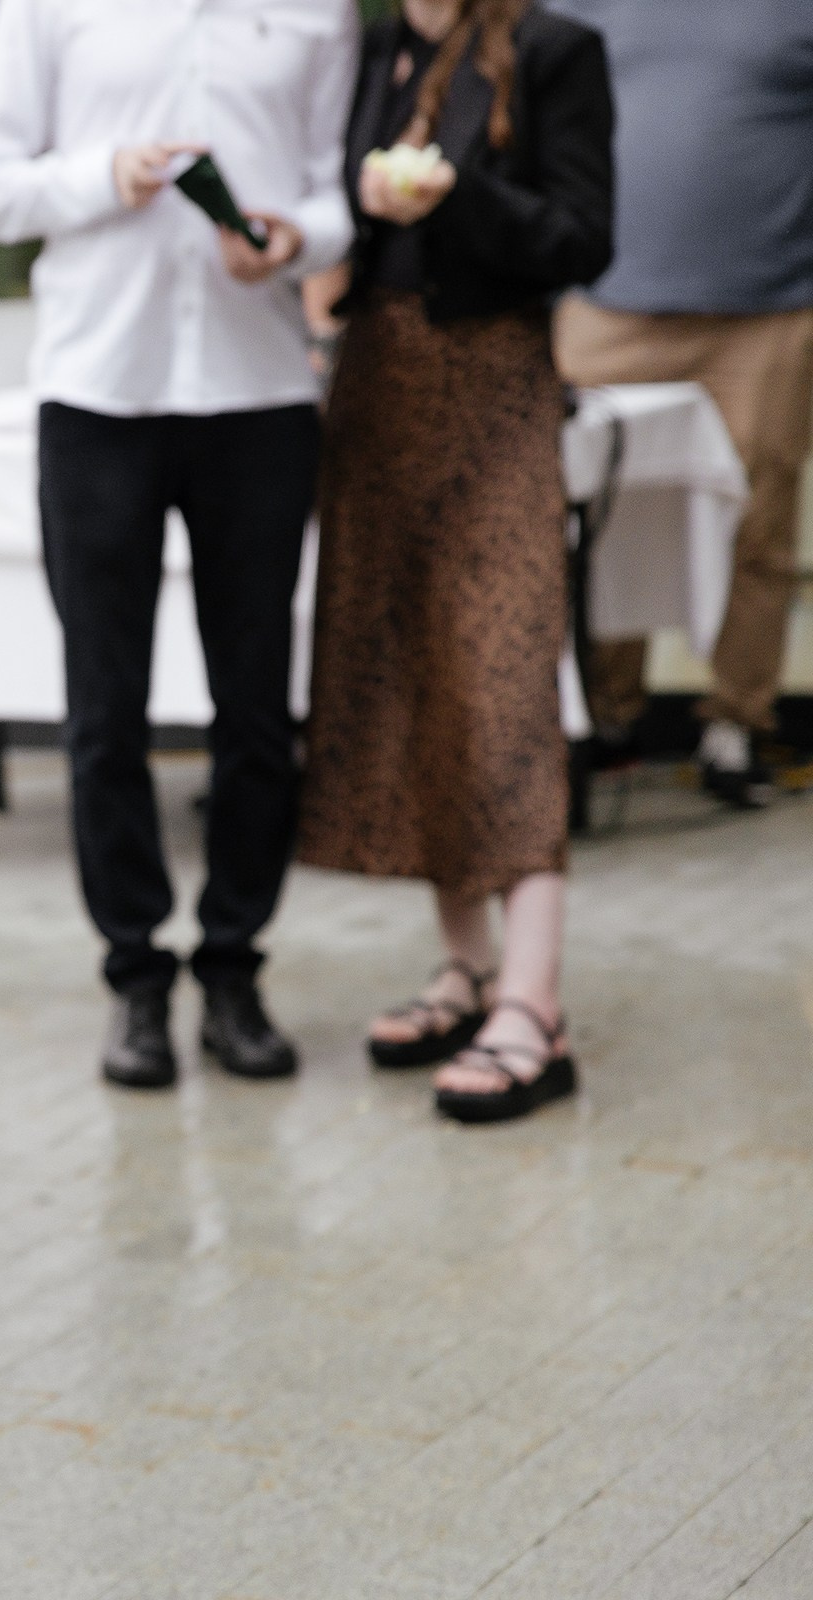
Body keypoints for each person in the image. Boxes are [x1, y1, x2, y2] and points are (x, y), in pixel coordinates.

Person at [0, 0, 358, 1091]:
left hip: (262, 393)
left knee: (257, 713)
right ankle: (133, 974)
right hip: (98, 395)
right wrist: (106, 176)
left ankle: (235, 966)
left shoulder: (318, 12)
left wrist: (297, 239)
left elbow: (339, 193)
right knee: (105, 710)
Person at [298, 0, 612, 1123]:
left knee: (503, 678)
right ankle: (467, 967)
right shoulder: (374, 46)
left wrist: (454, 194)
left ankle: (536, 1002)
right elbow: (340, 211)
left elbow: (585, 238)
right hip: (378, 387)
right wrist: (349, 217)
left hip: (497, 387)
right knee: (411, 680)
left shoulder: (554, 47)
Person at [547, 0, 813, 809]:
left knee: (758, 521)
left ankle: (734, 729)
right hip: (607, 304)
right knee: (589, 515)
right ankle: (604, 720)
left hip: (769, 308)